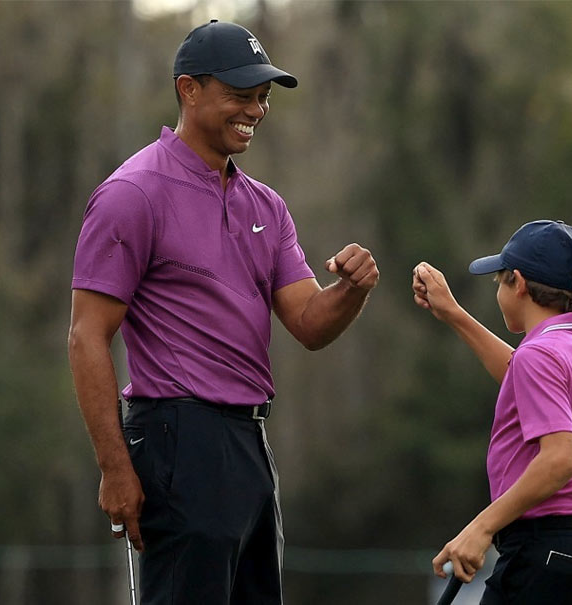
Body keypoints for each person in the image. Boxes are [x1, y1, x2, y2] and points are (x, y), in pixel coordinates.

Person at [68, 20, 379, 605]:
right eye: (240, 94)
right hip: (176, 440)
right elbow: (87, 335)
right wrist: (114, 468)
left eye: (262, 95)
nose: (256, 109)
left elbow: (309, 323)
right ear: (189, 90)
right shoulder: (133, 193)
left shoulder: (267, 204)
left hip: (250, 444)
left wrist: (352, 290)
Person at [413, 220, 572, 604]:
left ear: (517, 283)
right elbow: (521, 375)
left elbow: (560, 460)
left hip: (545, 554)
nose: (499, 291)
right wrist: (453, 313)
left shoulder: (540, 355)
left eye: (499, 282)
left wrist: (480, 529)